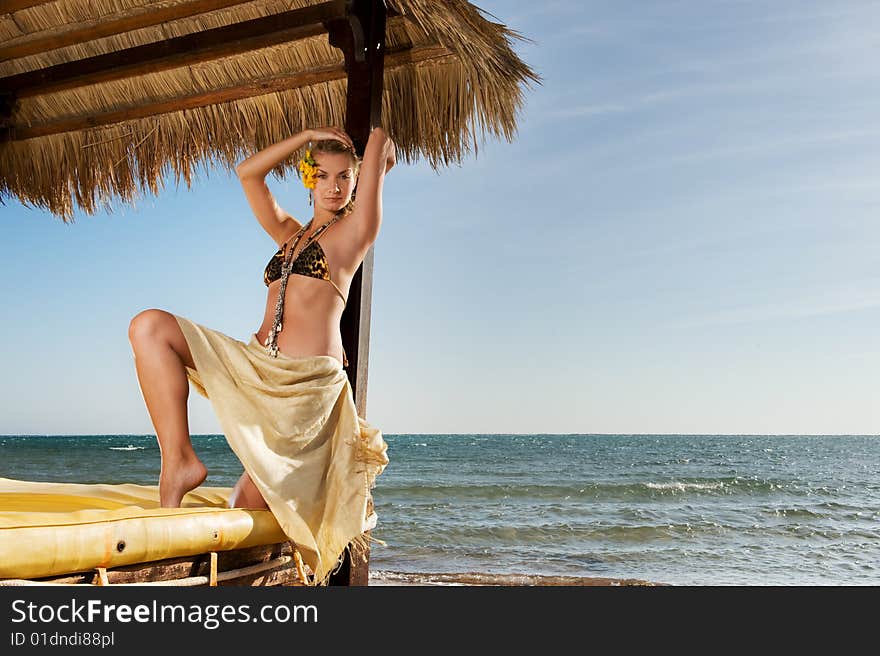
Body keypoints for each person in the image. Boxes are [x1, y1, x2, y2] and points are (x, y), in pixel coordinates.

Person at [127, 125, 396, 584]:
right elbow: (248, 174)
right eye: (324, 175)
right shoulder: (289, 235)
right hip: (257, 367)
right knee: (149, 328)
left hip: (303, 390)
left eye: (345, 178)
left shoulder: (353, 235)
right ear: (310, 177)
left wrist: (374, 146)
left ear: (357, 182)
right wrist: (306, 135)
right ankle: (179, 461)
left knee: (245, 507)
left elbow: (378, 147)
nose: (334, 186)